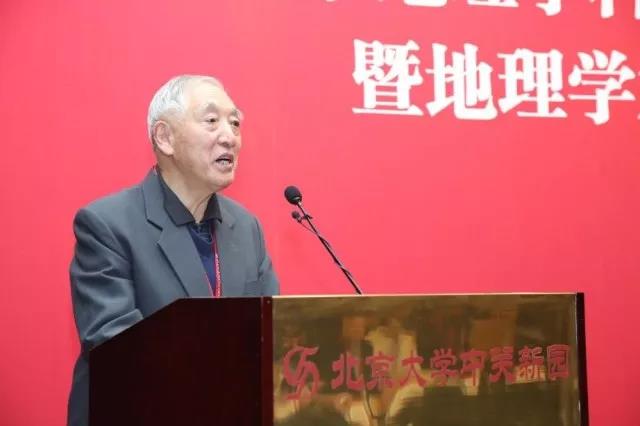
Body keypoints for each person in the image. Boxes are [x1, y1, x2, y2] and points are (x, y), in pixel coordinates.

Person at [67, 75, 279, 426]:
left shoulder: (247, 227)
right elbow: (117, 347)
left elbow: (272, 334)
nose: (229, 136)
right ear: (165, 137)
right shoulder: (107, 225)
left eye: (235, 123)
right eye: (211, 120)